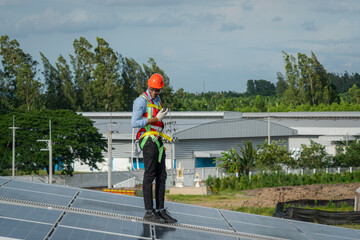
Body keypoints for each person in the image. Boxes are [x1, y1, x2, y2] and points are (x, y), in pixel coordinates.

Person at [131, 73, 177, 224]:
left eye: (158, 90)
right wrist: (156, 119)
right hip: (148, 140)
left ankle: (160, 210)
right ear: (148, 86)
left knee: (162, 176)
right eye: (153, 89)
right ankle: (149, 211)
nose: (155, 92)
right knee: (149, 175)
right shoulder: (141, 101)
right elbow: (135, 122)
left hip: (158, 140)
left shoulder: (157, 101)